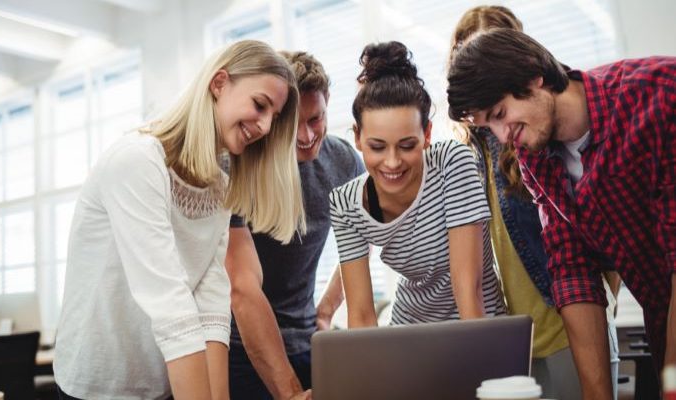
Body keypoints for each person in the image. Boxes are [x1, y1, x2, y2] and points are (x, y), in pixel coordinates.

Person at [53, 40, 306, 400]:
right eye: (260, 105)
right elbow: (171, 305)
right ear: (219, 83)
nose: (265, 126)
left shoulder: (220, 184)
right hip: (98, 383)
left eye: (274, 117)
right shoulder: (137, 162)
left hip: (161, 382)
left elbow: (211, 303)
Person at [447, 29, 676, 399]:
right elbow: (572, 272)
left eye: (500, 114)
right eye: (487, 125)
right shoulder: (534, 159)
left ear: (533, 75)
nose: (502, 136)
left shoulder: (659, 95)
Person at [329, 41, 506, 330]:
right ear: (358, 138)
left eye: (407, 145)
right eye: (377, 147)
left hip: (478, 326)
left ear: (426, 134)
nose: (392, 162)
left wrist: (479, 360)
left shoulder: (452, 162)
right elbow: (361, 315)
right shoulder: (346, 204)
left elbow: (468, 288)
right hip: (409, 331)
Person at [226, 51, 365, 400]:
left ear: (328, 103)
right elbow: (241, 289)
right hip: (239, 348)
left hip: (306, 340)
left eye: (315, 119)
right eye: (293, 125)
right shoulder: (238, 166)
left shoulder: (344, 160)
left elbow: (365, 235)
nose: (305, 135)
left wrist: (327, 309)